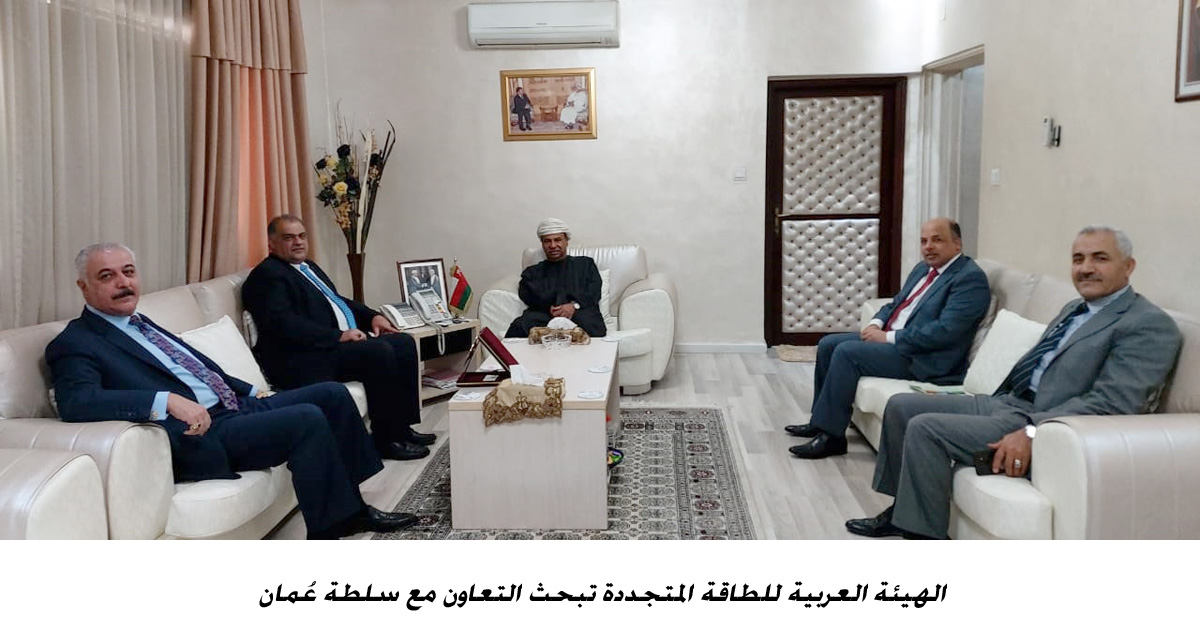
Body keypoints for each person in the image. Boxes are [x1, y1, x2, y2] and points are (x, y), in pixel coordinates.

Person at [45, 243, 417, 539]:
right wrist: (165, 402)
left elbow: (197, 368)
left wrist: (250, 390)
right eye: (107, 276)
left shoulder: (140, 323)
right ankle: (329, 529)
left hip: (235, 406)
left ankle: (352, 510)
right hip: (203, 431)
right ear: (84, 286)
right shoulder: (76, 342)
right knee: (306, 418)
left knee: (331, 395)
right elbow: (78, 402)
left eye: (128, 272)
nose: (122, 283)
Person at [847, 226, 1182, 540]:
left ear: (1129, 266)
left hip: (1041, 419)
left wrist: (1033, 432)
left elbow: (1113, 404)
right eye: (1078, 259)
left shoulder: (1148, 325)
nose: (1086, 268)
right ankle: (902, 511)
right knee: (902, 406)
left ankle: (921, 537)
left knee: (926, 429)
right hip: (1008, 401)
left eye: (1100, 258)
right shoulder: (1075, 308)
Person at [786, 218, 991, 459]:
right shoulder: (923, 269)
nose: (928, 247)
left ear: (957, 244)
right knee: (828, 344)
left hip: (926, 358)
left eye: (937, 240)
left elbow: (945, 332)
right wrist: (876, 323)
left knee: (848, 353)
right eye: (924, 241)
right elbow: (896, 303)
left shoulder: (969, 279)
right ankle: (820, 422)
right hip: (900, 341)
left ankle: (832, 438)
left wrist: (889, 337)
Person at [242, 215, 432, 462]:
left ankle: (402, 428)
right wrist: (338, 336)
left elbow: (336, 301)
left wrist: (373, 317)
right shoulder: (267, 276)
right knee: (378, 352)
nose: (298, 242)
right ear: (271, 243)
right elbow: (283, 324)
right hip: (302, 358)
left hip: (327, 347)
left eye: (302, 236)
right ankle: (386, 440)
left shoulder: (308, 267)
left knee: (403, 342)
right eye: (289, 238)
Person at [505, 217, 607, 338]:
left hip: (580, 313)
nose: (553, 245)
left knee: (591, 325)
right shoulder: (532, 273)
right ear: (542, 244)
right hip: (545, 316)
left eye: (558, 240)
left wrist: (574, 306)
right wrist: (550, 308)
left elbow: (594, 291)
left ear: (566, 241)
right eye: (547, 241)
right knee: (519, 326)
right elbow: (528, 295)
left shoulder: (585, 265)